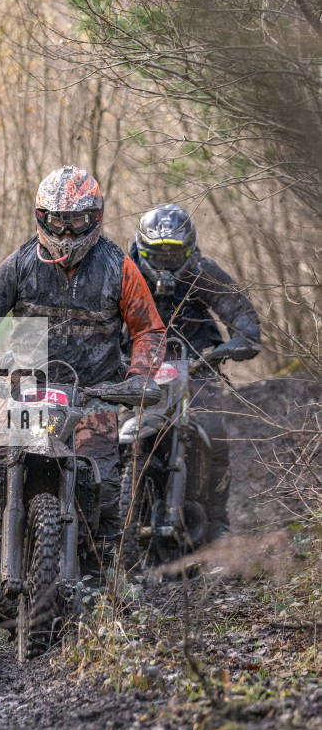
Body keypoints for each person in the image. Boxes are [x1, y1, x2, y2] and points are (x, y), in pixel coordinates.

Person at [0, 166, 166, 625]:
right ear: (41, 218)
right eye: (57, 221)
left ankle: (103, 581)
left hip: (94, 393)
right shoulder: (21, 263)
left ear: (96, 219)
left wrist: (138, 375)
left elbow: (148, 329)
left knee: (105, 490)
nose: (67, 231)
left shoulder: (118, 267)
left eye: (77, 221)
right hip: (26, 387)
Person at [130, 203, 261, 541]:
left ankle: (218, 524)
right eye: (157, 254)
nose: (165, 262)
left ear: (189, 249)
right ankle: (105, 530)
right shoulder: (124, 275)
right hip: (138, 369)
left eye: (173, 254)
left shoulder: (205, 272)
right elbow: (103, 320)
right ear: (143, 249)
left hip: (197, 365)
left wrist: (240, 341)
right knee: (106, 434)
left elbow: (241, 313)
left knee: (214, 428)